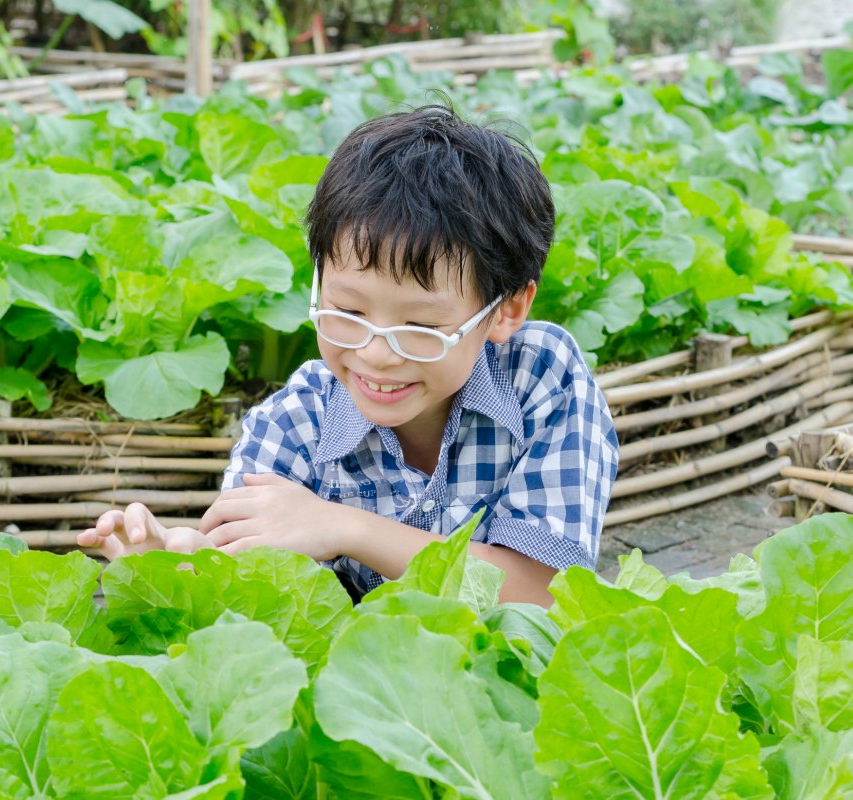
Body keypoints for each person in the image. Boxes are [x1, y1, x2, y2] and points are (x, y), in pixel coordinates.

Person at [76, 103, 618, 606]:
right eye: (348, 313)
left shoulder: (544, 380)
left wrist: (345, 528)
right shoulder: (292, 424)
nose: (377, 354)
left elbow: (544, 595)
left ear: (506, 310)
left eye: (422, 326)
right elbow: (246, 586)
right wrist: (173, 559)